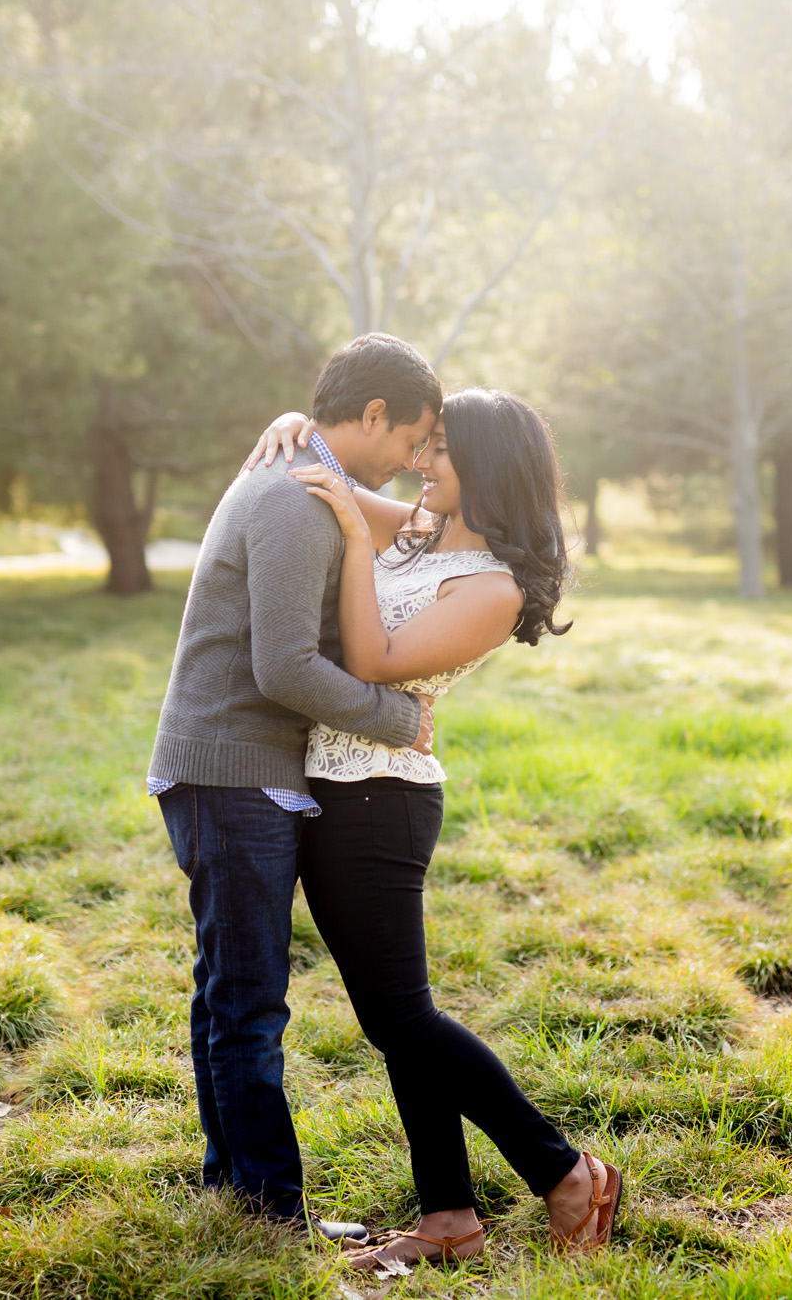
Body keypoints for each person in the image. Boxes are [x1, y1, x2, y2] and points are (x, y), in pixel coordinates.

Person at [242, 388, 622, 1269]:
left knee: (404, 1016)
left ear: (486, 466)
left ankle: (565, 1172)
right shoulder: (417, 531)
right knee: (394, 1020)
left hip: (381, 800)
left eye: (442, 449)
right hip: (337, 791)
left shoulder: (490, 586)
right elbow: (321, 473)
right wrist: (292, 425)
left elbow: (372, 662)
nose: (424, 460)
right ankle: (448, 1214)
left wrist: (351, 540)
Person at [146, 332, 442, 1241]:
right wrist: (398, 717)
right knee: (249, 1001)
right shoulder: (294, 496)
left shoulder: (313, 478)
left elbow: (421, 525)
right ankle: (270, 1213)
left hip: (227, 771)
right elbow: (282, 667)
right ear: (375, 414)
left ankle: (235, 1191)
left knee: (228, 991)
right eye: (411, 441)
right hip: (232, 773)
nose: (412, 462)